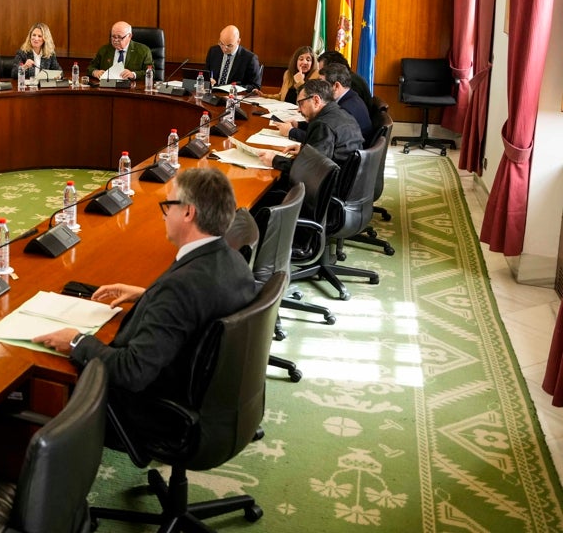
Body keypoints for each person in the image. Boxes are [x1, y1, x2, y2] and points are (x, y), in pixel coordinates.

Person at [32, 168, 257, 450]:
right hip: (216, 405)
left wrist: (77, 341)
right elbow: (200, 307)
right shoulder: (232, 260)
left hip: (158, 414)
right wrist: (147, 296)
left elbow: (132, 372)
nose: (164, 215)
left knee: (43, 383)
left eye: (168, 205)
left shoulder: (180, 288)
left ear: (188, 213)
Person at [255, 78, 363, 174]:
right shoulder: (342, 113)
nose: (298, 109)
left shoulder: (323, 125)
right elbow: (328, 153)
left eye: (301, 104)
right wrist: (305, 150)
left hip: (330, 189)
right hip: (349, 181)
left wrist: (274, 160)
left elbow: (310, 170)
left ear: (316, 100)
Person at [279, 63, 373, 144]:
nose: (319, 88)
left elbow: (322, 140)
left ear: (336, 86)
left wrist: (291, 132)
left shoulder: (346, 109)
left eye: (323, 84)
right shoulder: (350, 97)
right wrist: (299, 125)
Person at [204, 25, 264, 91]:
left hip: (234, 97)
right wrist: (208, 80)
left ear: (238, 41)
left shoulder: (250, 58)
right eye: (221, 44)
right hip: (213, 94)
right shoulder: (213, 51)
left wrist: (236, 88)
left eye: (229, 46)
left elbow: (255, 86)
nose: (224, 49)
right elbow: (206, 74)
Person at [88, 21, 153, 81]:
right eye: (113, 36)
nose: (115, 40)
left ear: (129, 36)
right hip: (108, 87)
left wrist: (133, 74)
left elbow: (152, 72)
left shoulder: (143, 51)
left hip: (132, 89)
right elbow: (90, 68)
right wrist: (95, 72)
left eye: (119, 37)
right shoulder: (104, 50)